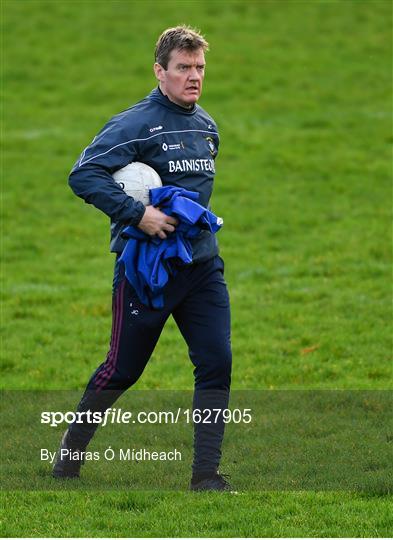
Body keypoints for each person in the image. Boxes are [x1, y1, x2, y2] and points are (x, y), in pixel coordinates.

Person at [53, 25, 233, 492]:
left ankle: (205, 475)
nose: (193, 77)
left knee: (217, 361)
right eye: (183, 68)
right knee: (122, 370)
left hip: (201, 267)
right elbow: (84, 174)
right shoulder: (135, 124)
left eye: (199, 68)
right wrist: (139, 214)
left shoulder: (207, 126)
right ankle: (69, 455)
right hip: (146, 271)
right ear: (160, 72)